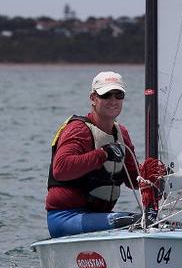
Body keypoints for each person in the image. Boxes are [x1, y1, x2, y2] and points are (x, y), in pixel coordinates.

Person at [45, 71, 140, 238]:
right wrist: (103, 154)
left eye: (118, 95)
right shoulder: (78, 130)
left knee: (153, 222)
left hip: (98, 218)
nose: (113, 100)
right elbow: (60, 169)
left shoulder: (121, 133)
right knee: (132, 221)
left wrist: (158, 177)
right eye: (106, 95)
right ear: (93, 98)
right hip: (65, 218)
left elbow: (134, 180)